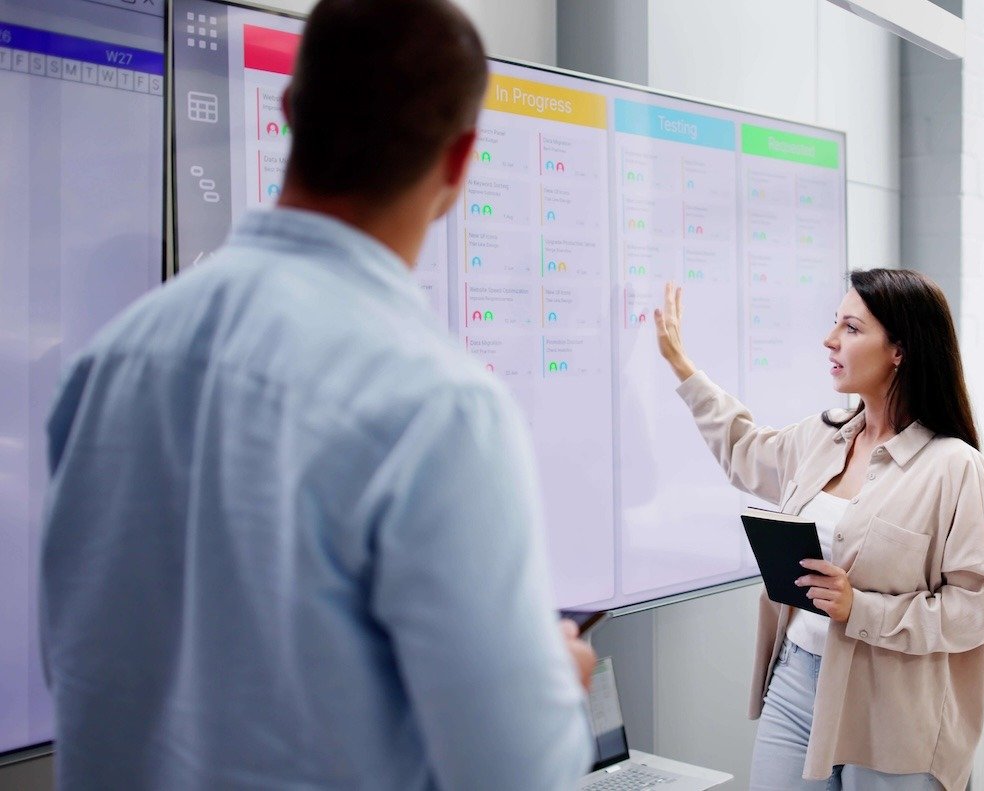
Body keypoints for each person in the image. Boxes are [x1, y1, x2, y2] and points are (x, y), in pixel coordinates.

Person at [40, 1, 594, 788]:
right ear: (461, 159)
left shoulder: (109, 363)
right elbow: (514, 771)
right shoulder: (438, 408)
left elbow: (77, 666)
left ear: (292, 110)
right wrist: (558, 688)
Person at [654, 270, 984, 790]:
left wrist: (859, 609)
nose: (830, 340)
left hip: (895, 706)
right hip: (796, 680)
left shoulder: (953, 466)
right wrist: (682, 367)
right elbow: (742, 450)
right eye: (834, 324)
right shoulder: (821, 437)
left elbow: (976, 610)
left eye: (851, 328)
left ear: (899, 352)